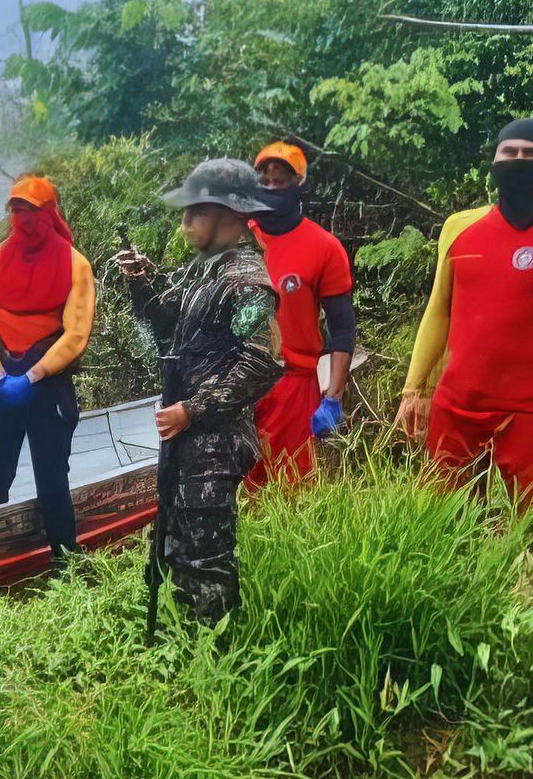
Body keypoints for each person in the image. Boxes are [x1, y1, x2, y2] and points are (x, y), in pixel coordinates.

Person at [396, 118, 533, 629]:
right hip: (457, 403)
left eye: (529, 153)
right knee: (450, 520)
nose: (517, 161)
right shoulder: (459, 227)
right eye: (508, 152)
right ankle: (457, 627)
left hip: (531, 408)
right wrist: (415, 389)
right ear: (493, 161)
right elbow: (438, 311)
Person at [117, 158, 282, 622]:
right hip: (190, 437)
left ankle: (215, 648)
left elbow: (262, 362)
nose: (186, 223)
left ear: (233, 215)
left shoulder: (246, 281)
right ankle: (185, 640)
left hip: (215, 439)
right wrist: (141, 283)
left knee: (206, 559)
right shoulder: (205, 270)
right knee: (178, 545)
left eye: (198, 212)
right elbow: (168, 325)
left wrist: (193, 408)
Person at [0, 176, 94, 557]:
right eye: (18, 210)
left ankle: (65, 562)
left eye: (33, 211)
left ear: (50, 212)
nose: (25, 219)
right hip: (2, 380)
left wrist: (34, 375)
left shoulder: (76, 266)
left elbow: (76, 334)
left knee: (52, 480)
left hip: (48, 386)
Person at [245, 139, 358, 488]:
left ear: (299, 184)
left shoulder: (323, 247)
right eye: (264, 180)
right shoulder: (237, 238)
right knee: (239, 494)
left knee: (290, 490)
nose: (271, 186)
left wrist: (333, 398)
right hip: (238, 386)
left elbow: (342, 328)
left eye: (280, 180)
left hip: (292, 386)